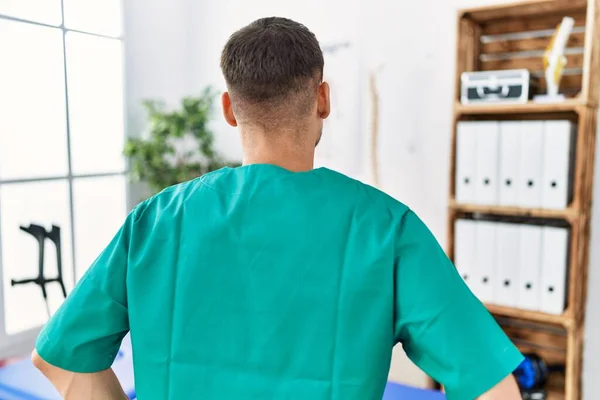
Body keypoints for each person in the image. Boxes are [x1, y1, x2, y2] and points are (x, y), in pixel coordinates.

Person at [32, 17, 523, 400]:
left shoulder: (156, 221)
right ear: (323, 99)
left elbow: (59, 358)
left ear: (229, 108)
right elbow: (492, 387)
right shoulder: (386, 229)